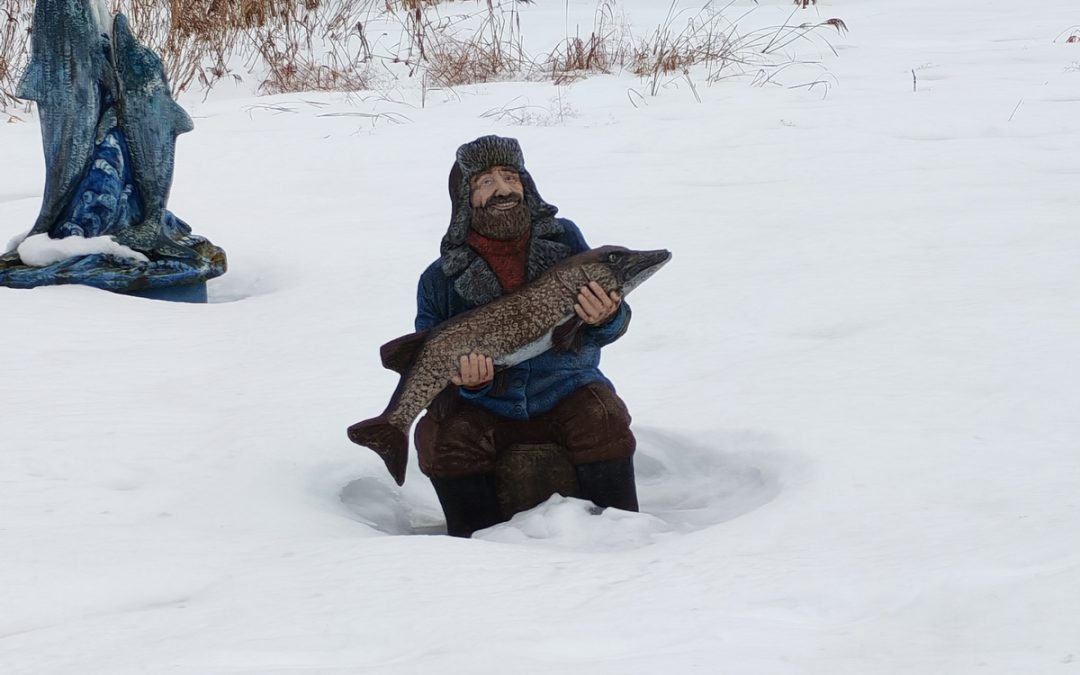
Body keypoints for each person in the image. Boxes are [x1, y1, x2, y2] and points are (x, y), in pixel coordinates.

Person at [414, 135, 639, 537]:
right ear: (465, 198)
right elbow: (428, 353)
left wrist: (608, 316)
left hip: (565, 387)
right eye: (484, 181)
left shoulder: (565, 241)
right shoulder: (439, 277)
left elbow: (605, 323)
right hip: (487, 404)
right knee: (443, 438)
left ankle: (623, 534)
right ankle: (474, 546)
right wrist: (469, 383)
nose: (502, 189)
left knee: (603, 416)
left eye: (509, 176)